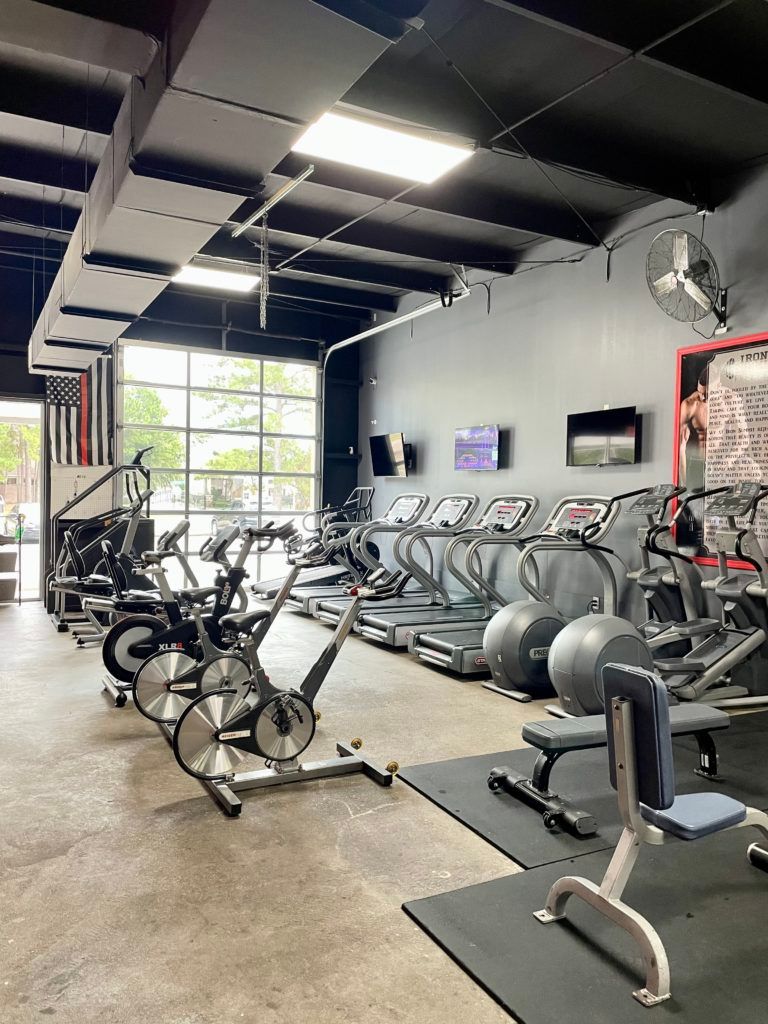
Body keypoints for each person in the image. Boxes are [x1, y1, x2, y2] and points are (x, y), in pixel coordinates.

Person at [679, 369, 708, 489]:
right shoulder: (690, 404)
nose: (702, 397)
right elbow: (681, 446)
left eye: (706, 394)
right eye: (700, 392)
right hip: (697, 465)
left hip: (721, 465)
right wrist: (684, 483)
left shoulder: (728, 401)